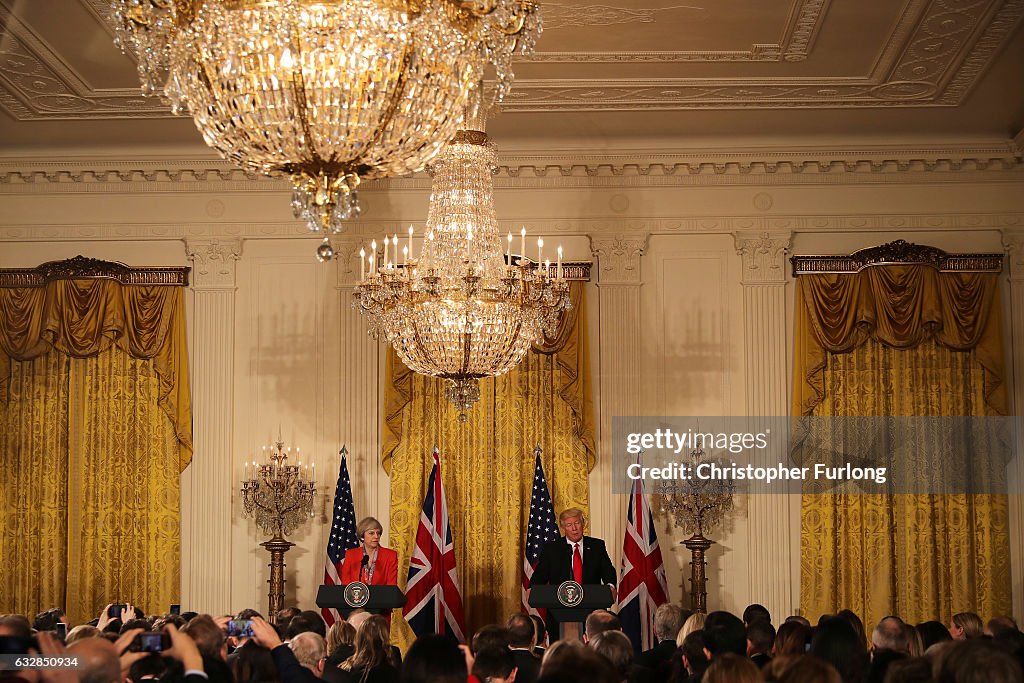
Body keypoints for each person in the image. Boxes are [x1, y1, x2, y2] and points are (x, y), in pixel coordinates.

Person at [529, 508, 616, 640]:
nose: (574, 528)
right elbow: (540, 575)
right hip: (559, 613)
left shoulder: (597, 546)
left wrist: (611, 586)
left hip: (592, 611)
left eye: (577, 523)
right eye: (569, 525)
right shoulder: (552, 549)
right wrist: (532, 588)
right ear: (563, 527)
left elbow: (608, 571)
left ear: (583, 524)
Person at [340, 518, 399, 586]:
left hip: (381, 595)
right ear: (362, 536)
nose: (376, 536)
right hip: (356, 595)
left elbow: (391, 586)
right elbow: (345, 583)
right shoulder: (351, 555)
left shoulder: (390, 556)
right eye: (371, 533)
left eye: (378, 533)